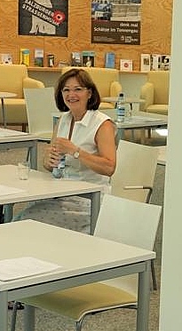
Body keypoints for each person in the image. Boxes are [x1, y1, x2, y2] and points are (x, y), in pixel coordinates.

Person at [23, 67, 117, 230]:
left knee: (29, 222)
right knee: (22, 218)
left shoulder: (103, 124)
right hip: (60, 193)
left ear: (89, 93)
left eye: (78, 89)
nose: (71, 95)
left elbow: (109, 168)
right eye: (66, 90)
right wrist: (48, 161)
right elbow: (49, 165)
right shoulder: (63, 120)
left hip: (89, 200)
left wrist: (75, 151)